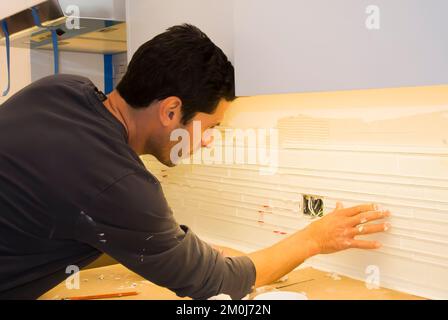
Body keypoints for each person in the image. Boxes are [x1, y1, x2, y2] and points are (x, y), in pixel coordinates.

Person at [0, 24, 390, 300]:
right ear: (171, 110)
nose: (206, 141)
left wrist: (178, 246)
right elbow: (220, 284)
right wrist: (314, 239)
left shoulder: (59, 90)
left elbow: (80, 220)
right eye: (210, 127)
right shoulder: (119, 185)